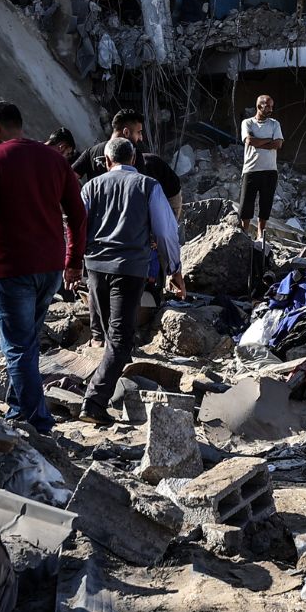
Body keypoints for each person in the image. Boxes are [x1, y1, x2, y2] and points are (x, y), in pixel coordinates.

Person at [0, 100, 88, 434]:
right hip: (49, 269)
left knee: (16, 347)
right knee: (27, 343)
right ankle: (18, 410)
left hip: (12, 268)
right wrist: (72, 262)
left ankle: (37, 422)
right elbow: (77, 215)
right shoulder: (55, 160)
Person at [78, 137, 183, 424]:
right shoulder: (148, 186)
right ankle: (94, 401)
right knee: (122, 339)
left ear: (107, 161)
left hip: (95, 267)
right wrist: (174, 269)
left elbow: (76, 226)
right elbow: (165, 231)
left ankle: (109, 390)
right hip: (129, 269)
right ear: (134, 159)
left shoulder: (91, 187)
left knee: (111, 333)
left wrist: (74, 263)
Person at [74, 110, 182, 216]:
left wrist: (81, 200)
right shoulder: (134, 155)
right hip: (128, 222)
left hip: (98, 223)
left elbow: (69, 178)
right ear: (126, 132)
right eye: (138, 132)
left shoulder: (91, 152)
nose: (141, 137)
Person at [238, 95, 283, 242]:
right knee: (246, 204)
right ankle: (244, 232)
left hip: (270, 170)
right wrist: (269, 140)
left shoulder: (274, 124)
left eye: (271, 106)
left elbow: (278, 144)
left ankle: (260, 234)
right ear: (259, 106)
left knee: (265, 204)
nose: (271, 109)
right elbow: (249, 141)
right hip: (251, 169)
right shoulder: (248, 123)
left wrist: (259, 142)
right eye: (268, 106)